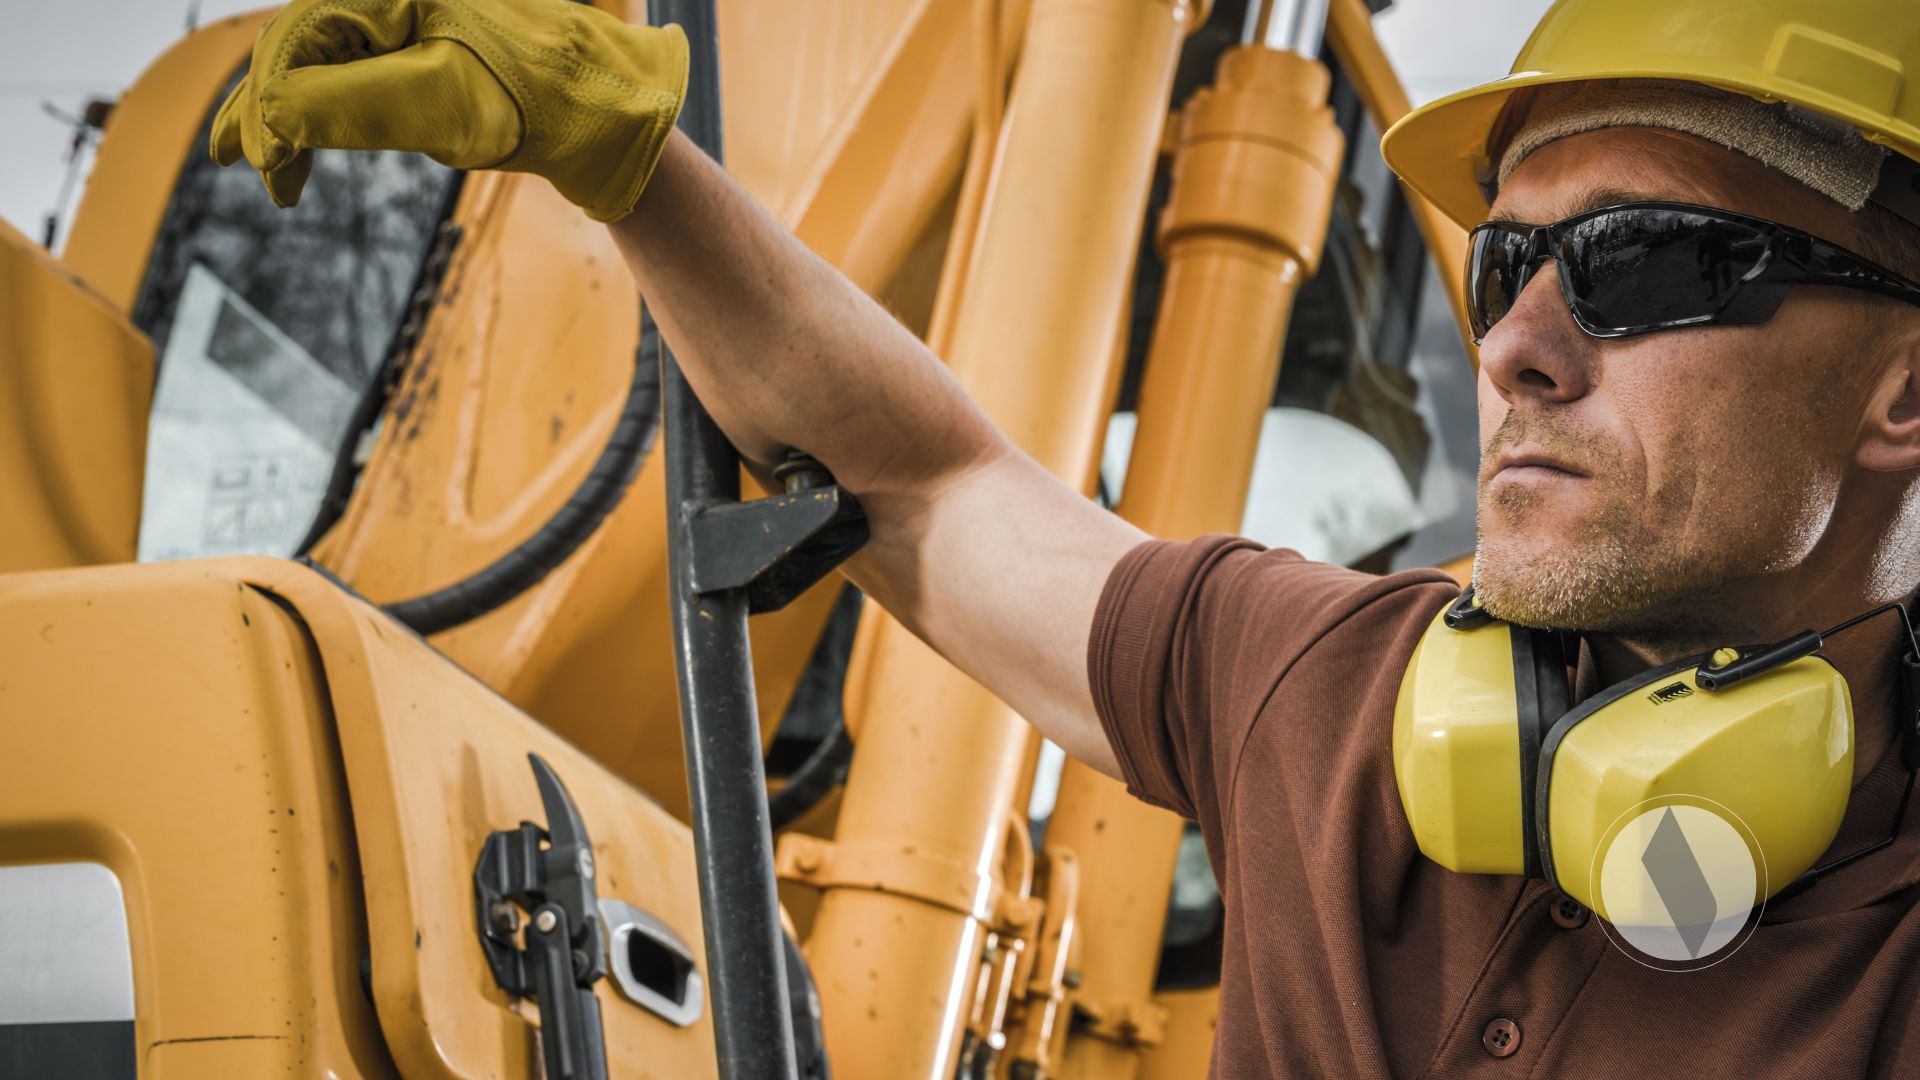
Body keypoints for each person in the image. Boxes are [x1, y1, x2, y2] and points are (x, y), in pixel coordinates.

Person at [212, 0, 1920, 1073]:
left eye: (1639, 264)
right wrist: (631, 162)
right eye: (1502, 265)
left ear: (1902, 388)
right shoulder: (1331, 694)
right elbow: (927, 486)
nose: (1518, 347)